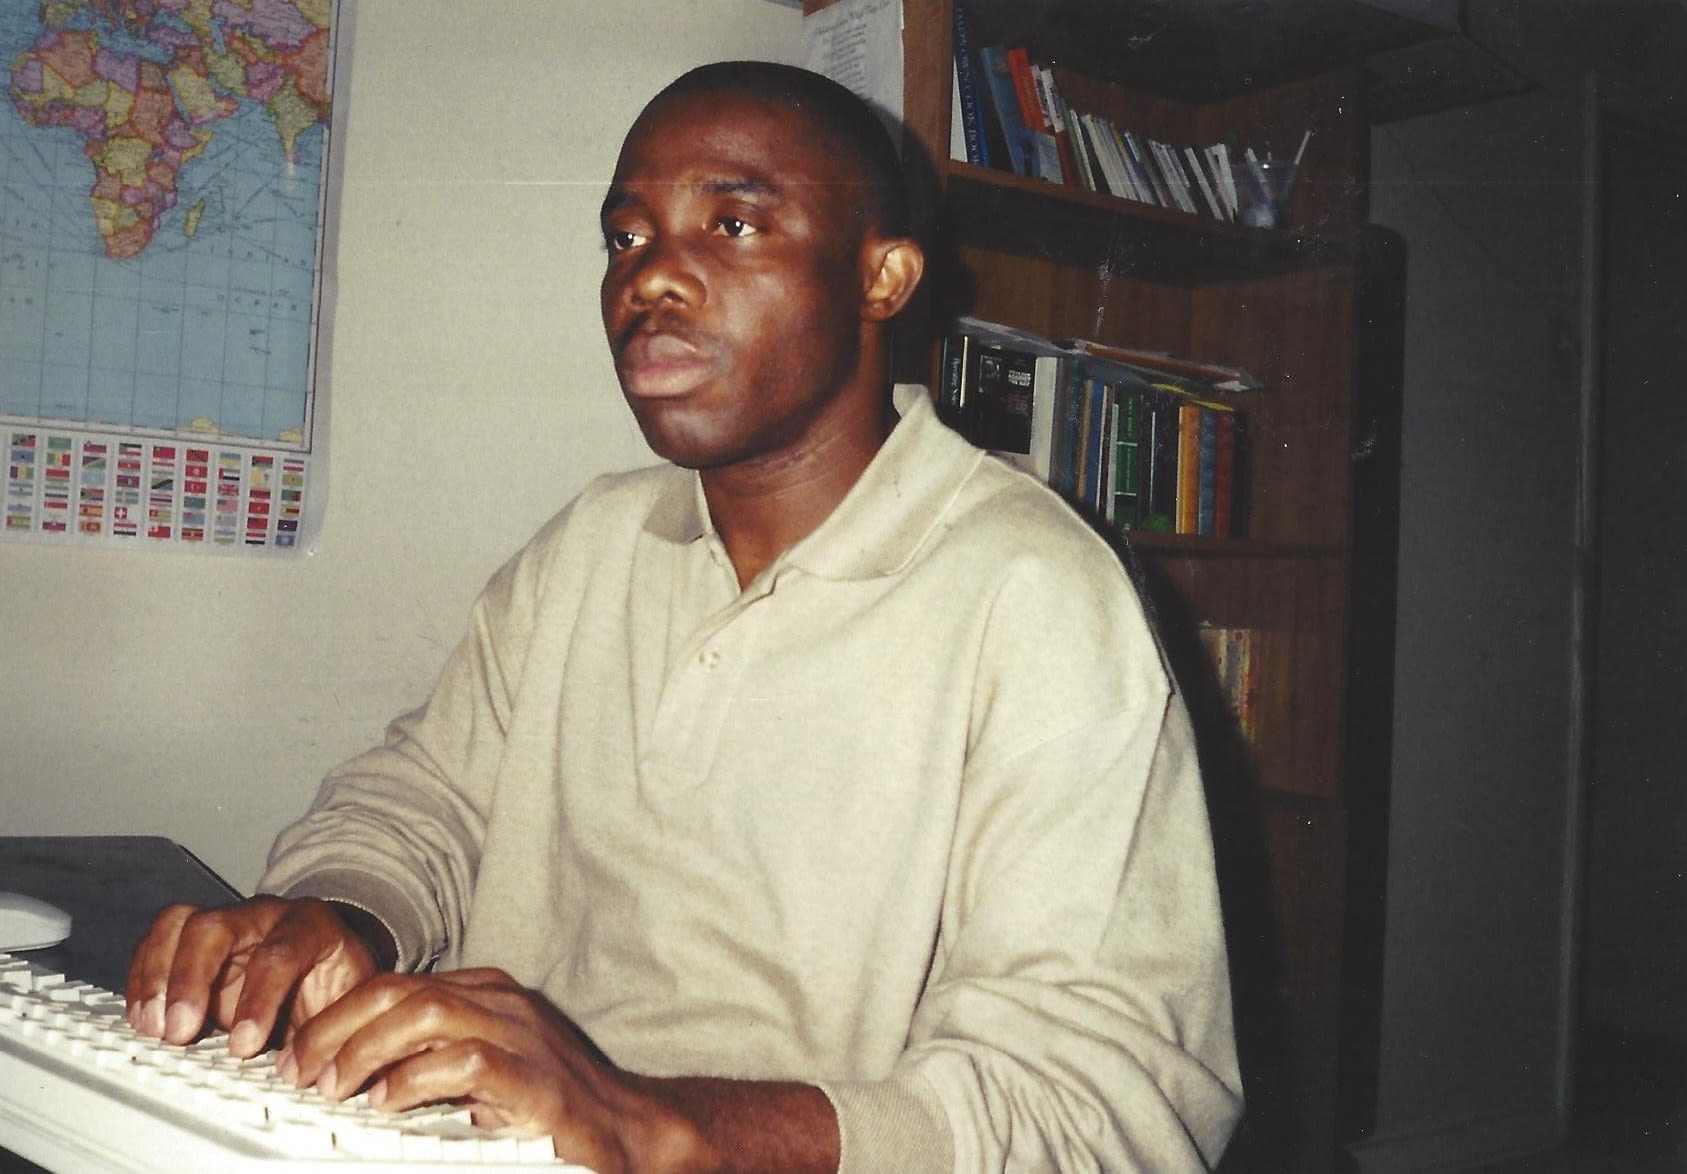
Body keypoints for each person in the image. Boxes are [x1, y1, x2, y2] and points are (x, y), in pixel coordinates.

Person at [125, 61, 1243, 1173]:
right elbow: (422, 803)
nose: (652, 277)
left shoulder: (1038, 595)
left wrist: (647, 1123)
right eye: (627, 238)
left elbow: (1105, 1104)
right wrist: (334, 913)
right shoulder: (592, 546)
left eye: (734, 224)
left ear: (882, 277)